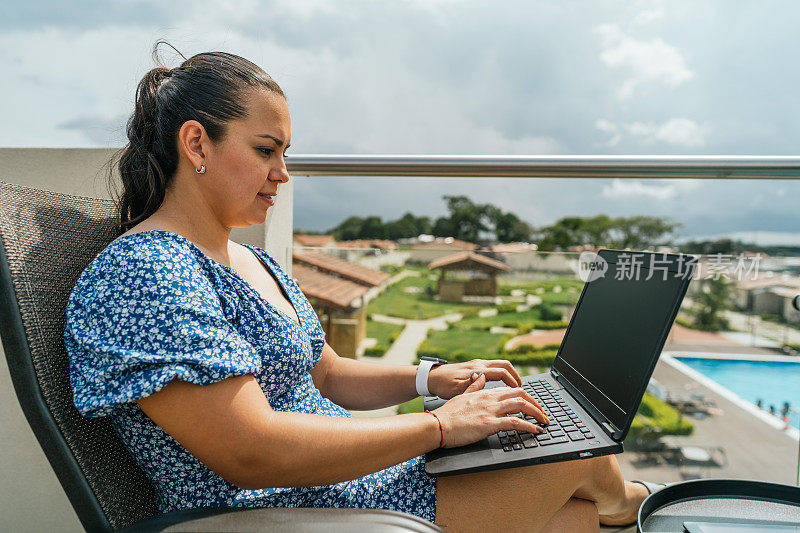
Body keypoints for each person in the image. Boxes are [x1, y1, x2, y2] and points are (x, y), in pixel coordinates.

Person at [64, 43, 651, 532]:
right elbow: (251, 452)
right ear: (196, 145)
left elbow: (326, 374)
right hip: (279, 510)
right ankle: (637, 507)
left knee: (573, 512)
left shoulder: (245, 259)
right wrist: (442, 426)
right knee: (581, 461)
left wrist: (432, 378)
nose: (282, 173)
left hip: (342, 478)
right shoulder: (145, 275)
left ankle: (627, 508)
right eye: (265, 150)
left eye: (284, 153)